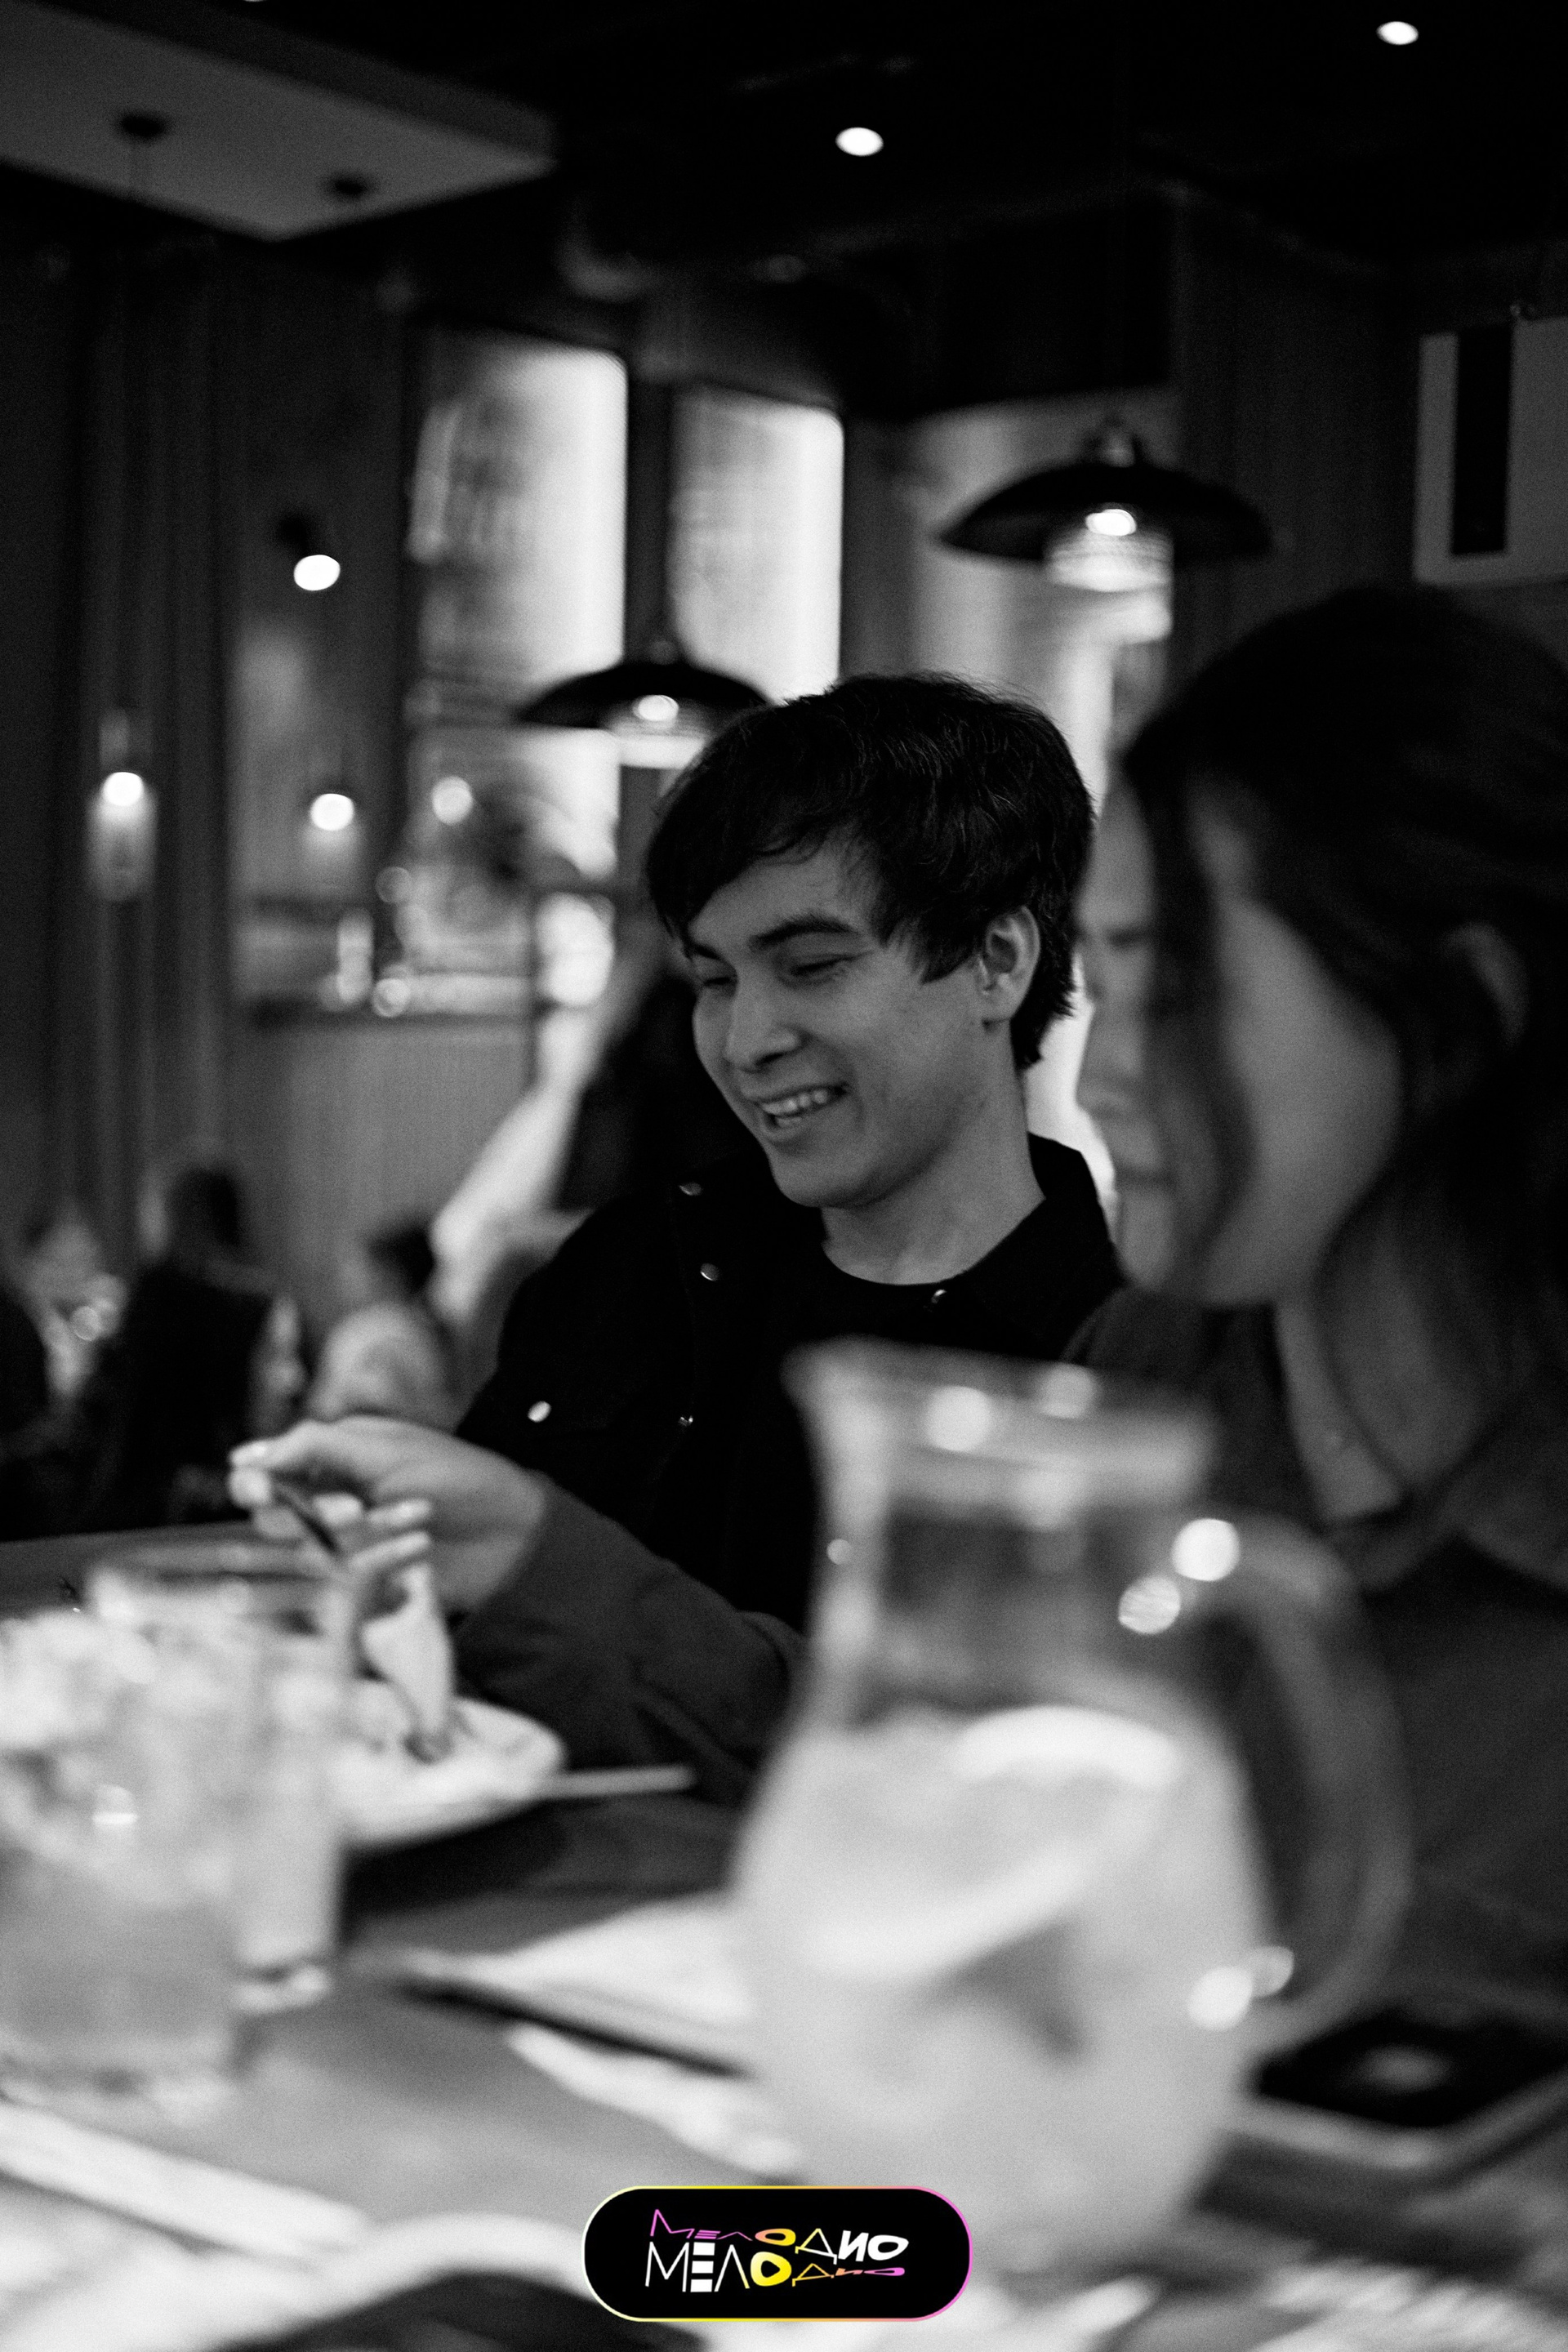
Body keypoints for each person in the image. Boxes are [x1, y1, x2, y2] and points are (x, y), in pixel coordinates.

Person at [238, 590, 1568, 2001]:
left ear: (1453, 1022)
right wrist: (528, 1557)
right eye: (1113, 985)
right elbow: (924, 1780)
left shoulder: (1091, 1361)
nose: (1113, 1072)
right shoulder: (1161, 1367)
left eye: (1181, 994)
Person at [454, 673, 1117, 1626]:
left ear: (995, 962)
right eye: (715, 980)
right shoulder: (629, 1268)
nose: (745, 1042)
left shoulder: (1108, 1360)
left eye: (811, 967)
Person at [65, 1156, 304, 1531]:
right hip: (223, 1495)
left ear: (173, 1215)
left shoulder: (161, 1294)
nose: (294, 1379)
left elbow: (122, 1409)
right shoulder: (259, 1297)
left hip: (151, 1504)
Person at [309, 1219, 457, 1430]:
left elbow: (335, 1410)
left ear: (388, 1273)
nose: (345, 1276)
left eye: (358, 1266)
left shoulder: (367, 1333)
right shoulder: (430, 1330)